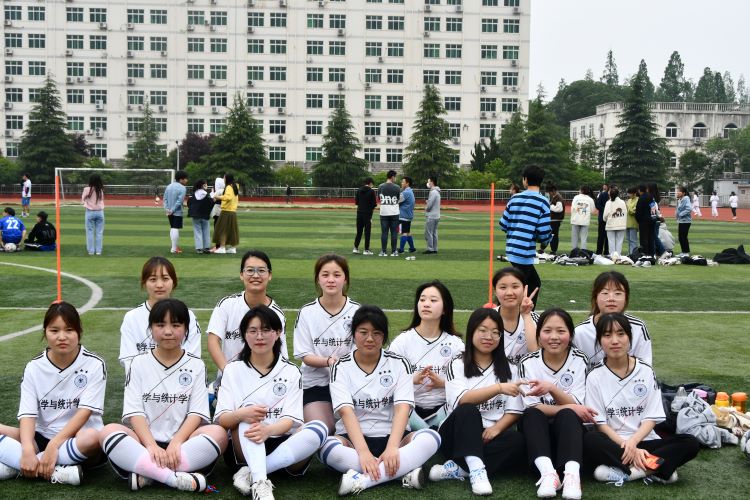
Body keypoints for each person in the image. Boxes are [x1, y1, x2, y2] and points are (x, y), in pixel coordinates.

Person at [100, 299, 227, 493]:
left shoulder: (196, 365)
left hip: (184, 444)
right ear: (150, 329)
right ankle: (173, 478)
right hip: (144, 443)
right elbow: (134, 412)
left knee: (219, 434)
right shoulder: (138, 363)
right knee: (107, 431)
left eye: (176, 325)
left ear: (186, 329)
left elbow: (196, 413)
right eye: (160, 325)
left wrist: (176, 442)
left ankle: (148, 473)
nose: (168, 331)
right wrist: (151, 446)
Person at [318, 305, 441, 495]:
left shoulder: (399, 363)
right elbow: (346, 412)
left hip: (395, 438)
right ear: (353, 334)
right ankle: (400, 473)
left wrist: (392, 447)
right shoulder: (340, 367)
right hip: (353, 441)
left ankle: (362, 480)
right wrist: (363, 452)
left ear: (383, 336)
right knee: (326, 447)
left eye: (376, 333)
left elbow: (402, 408)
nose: (370, 338)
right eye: (363, 332)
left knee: (431, 438)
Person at [216, 305, 327, 500]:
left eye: (266, 330)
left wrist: (268, 430)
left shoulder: (291, 371)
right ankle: (260, 483)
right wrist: (241, 414)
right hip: (245, 446)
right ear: (244, 335)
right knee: (248, 417)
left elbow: (290, 420)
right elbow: (223, 419)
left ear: (277, 333)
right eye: (253, 331)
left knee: (319, 428)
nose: (259, 336)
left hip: (284, 445)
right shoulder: (232, 370)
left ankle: (254, 472)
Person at [584, 313, 699, 486]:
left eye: (621, 334)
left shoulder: (645, 370)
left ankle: (630, 473)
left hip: (645, 441)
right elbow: (600, 424)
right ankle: (657, 468)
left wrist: (634, 443)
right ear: (600, 341)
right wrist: (627, 445)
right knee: (590, 439)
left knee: (690, 442)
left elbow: (651, 417)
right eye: (607, 335)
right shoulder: (594, 376)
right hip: (615, 444)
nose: (615, 340)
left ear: (629, 338)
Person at [0, 302, 106, 486]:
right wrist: (27, 448)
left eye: (69, 330)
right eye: (54, 330)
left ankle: (17, 466)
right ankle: (53, 470)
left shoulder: (95, 364)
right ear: (45, 332)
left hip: (78, 439)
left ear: (79, 331)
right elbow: (28, 413)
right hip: (41, 436)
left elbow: (84, 412)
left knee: (93, 437)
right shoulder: (34, 367)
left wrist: (54, 444)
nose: (62, 337)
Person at [428, 308, 526, 496]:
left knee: (519, 441)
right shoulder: (457, 363)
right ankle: (477, 471)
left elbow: (514, 411)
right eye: (482, 330)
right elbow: (463, 400)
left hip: (489, 435)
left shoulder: (511, 368)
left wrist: (497, 428)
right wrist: (499, 388)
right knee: (468, 410)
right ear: (472, 331)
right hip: (457, 434)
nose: (489, 337)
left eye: (495, 332)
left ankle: (459, 469)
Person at [518, 309, 593, 500]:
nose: (554, 337)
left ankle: (572, 476)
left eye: (561, 331)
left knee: (568, 415)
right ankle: (548, 474)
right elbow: (533, 406)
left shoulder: (580, 359)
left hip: (569, 432)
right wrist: (570, 407)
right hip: (537, 433)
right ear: (538, 335)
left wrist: (551, 388)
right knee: (532, 415)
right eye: (547, 331)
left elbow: (577, 405)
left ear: (571, 335)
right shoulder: (527, 362)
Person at [293, 254, 359, 433]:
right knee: (325, 428)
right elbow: (305, 355)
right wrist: (328, 362)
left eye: (337, 275)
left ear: (345, 279)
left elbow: (361, 353)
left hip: (350, 383)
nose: (331, 280)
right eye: (325, 275)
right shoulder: (307, 312)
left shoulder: (357, 311)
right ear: (318, 279)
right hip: (315, 383)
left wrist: (341, 368)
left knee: (357, 427)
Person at [388, 280, 464, 430]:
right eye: (422, 300)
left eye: (433, 300)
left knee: (464, 408)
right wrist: (411, 380)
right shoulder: (402, 342)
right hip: (409, 409)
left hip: (444, 408)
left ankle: (431, 432)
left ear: (445, 309)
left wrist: (443, 383)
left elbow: (468, 384)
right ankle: (428, 432)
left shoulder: (456, 344)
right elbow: (385, 381)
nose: (426, 304)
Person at [207, 250, 287, 383]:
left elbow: (280, 352)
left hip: (263, 380)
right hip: (229, 379)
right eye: (250, 270)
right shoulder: (227, 304)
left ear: (269, 275)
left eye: (261, 270)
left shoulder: (277, 314)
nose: (255, 275)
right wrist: (228, 372)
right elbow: (212, 341)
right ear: (241, 274)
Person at [119, 256, 202, 370]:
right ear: (144, 283)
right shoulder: (132, 317)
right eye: (153, 279)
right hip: (142, 380)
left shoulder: (188, 315)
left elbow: (192, 359)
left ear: (174, 282)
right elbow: (129, 361)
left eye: (165, 278)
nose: (159, 285)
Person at [573, 271, 652, 368]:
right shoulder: (579, 333)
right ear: (595, 297)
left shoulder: (638, 327)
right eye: (605, 293)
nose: (611, 298)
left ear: (626, 298)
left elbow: (645, 368)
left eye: (617, 293)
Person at [500, 165, 552, 308]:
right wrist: (547, 240)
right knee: (524, 287)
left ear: (525, 180)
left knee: (532, 284)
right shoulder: (543, 201)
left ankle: (519, 313)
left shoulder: (514, 198)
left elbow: (503, 224)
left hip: (512, 249)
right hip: (525, 252)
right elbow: (544, 232)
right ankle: (521, 314)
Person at [491, 267, 539, 365]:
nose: (509, 293)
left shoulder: (536, 320)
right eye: (503, 287)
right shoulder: (486, 319)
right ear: (495, 291)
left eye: (515, 287)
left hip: (526, 374)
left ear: (524, 289)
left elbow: (535, 353)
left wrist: (526, 315)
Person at [211, 173, 240, 254]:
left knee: (222, 230)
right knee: (232, 230)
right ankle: (233, 248)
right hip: (233, 211)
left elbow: (228, 197)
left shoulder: (228, 187)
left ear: (227, 179)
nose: (223, 179)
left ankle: (222, 247)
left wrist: (216, 197)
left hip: (226, 211)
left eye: (224, 178)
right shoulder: (235, 186)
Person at [163, 170, 188, 254]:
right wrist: (173, 210)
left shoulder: (169, 186)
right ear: (181, 179)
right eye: (185, 179)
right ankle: (174, 248)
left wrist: (167, 209)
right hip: (177, 211)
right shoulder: (183, 188)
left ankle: (174, 247)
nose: (186, 180)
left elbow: (165, 199)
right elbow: (179, 201)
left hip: (169, 211)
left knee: (172, 227)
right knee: (175, 228)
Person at [187, 179, 214, 254]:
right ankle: (206, 247)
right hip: (205, 215)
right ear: (203, 185)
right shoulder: (206, 194)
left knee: (197, 231)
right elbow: (211, 203)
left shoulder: (193, 194)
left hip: (195, 215)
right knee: (206, 231)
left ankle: (199, 248)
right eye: (205, 184)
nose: (206, 185)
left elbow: (189, 204)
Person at [378, 170, 401, 257]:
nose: (395, 178)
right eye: (395, 177)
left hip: (384, 212)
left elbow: (379, 198)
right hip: (394, 212)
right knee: (394, 233)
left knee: (384, 232)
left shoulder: (380, 186)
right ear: (392, 177)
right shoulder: (397, 187)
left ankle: (383, 251)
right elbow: (398, 199)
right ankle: (394, 251)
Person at [81, 174, 105, 256]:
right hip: (100, 212)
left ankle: (91, 251)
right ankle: (98, 251)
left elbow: (82, 199)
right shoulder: (100, 190)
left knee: (90, 232)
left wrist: (86, 202)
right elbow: (101, 199)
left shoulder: (86, 189)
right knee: (99, 233)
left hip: (90, 212)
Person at [353, 177, 377, 255]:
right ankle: (366, 250)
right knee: (367, 232)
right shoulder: (371, 191)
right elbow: (374, 204)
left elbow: (356, 202)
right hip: (368, 214)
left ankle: (355, 248)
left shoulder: (359, 190)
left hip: (359, 213)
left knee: (359, 232)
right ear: (370, 183)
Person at [603, 187, 627, 260]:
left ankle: (612, 256)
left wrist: (605, 220)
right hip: (621, 224)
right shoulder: (622, 202)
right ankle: (618, 255)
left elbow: (605, 215)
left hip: (611, 224)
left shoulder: (608, 203)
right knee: (619, 241)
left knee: (611, 241)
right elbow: (625, 213)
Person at [540, 183, 564, 255]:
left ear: (553, 190)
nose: (549, 193)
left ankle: (553, 250)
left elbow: (559, 209)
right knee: (549, 234)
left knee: (553, 235)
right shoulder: (555, 197)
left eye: (549, 192)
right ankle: (543, 248)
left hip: (555, 220)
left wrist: (550, 206)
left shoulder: (558, 198)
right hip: (552, 220)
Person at [570, 186, 595, 252]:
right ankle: (583, 253)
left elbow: (572, 208)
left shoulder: (576, 197)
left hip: (575, 220)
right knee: (584, 239)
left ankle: (574, 253)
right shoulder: (590, 199)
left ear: (581, 190)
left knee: (574, 238)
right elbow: (593, 210)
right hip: (585, 220)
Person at [635, 184, 655, 257]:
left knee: (644, 238)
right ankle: (651, 254)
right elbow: (653, 208)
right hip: (651, 219)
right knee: (651, 238)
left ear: (640, 190)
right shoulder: (651, 197)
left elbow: (638, 211)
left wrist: (638, 220)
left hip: (643, 220)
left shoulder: (641, 198)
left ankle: (645, 254)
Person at [398, 176, 416, 254]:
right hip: (408, 215)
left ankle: (401, 249)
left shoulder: (405, 192)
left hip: (403, 215)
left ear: (407, 183)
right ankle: (412, 248)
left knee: (404, 232)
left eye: (403, 182)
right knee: (408, 232)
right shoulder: (410, 191)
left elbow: (397, 200)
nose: (401, 183)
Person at [424, 176, 441, 254]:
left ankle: (430, 248)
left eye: (429, 181)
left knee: (429, 232)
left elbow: (430, 205)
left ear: (432, 182)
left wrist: (426, 207)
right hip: (436, 215)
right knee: (434, 232)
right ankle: (434, 248)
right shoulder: (437, 191)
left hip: (432, 215)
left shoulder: (433, 192)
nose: (428, 183)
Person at [648, 183, 666, 257]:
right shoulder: (656, 196)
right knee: (655, 237)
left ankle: (663, 252)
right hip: (657, 219)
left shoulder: (651, 198)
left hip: (655, 219)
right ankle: (655, 252)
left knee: (654, 237)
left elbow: (654, 210)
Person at [675, 186, 692, 257]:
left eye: (679, 191)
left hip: (686, 221)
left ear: (683, 193)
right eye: (677, 191)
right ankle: (683, 251)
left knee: (683, 237)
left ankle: (686, 252)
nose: (677, 192)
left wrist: (681, 214)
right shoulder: (680, 199)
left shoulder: (686, 198)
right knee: (680, 237)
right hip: (682, 221)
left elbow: (689, 209)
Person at [595, 183, 610, 256]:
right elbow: (597, 205)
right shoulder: (601, 194)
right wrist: (605, 209)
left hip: (606, 218)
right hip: (604, 218)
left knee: (604, 236)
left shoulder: (602, 195)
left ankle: (601, 251)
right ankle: (602, 251)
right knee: (604, 236)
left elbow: (597, 205)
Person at [625, 187, 639, 256]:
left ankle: (634, 254)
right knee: (628, 240)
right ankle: (630, 253)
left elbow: (633, 211)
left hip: (633, 223)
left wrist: (628, 206)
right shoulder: (629, 200)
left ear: (634, 193)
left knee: (633, 240)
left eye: (630, 193)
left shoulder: (638, 200)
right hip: (627, 222)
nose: (628, 195)